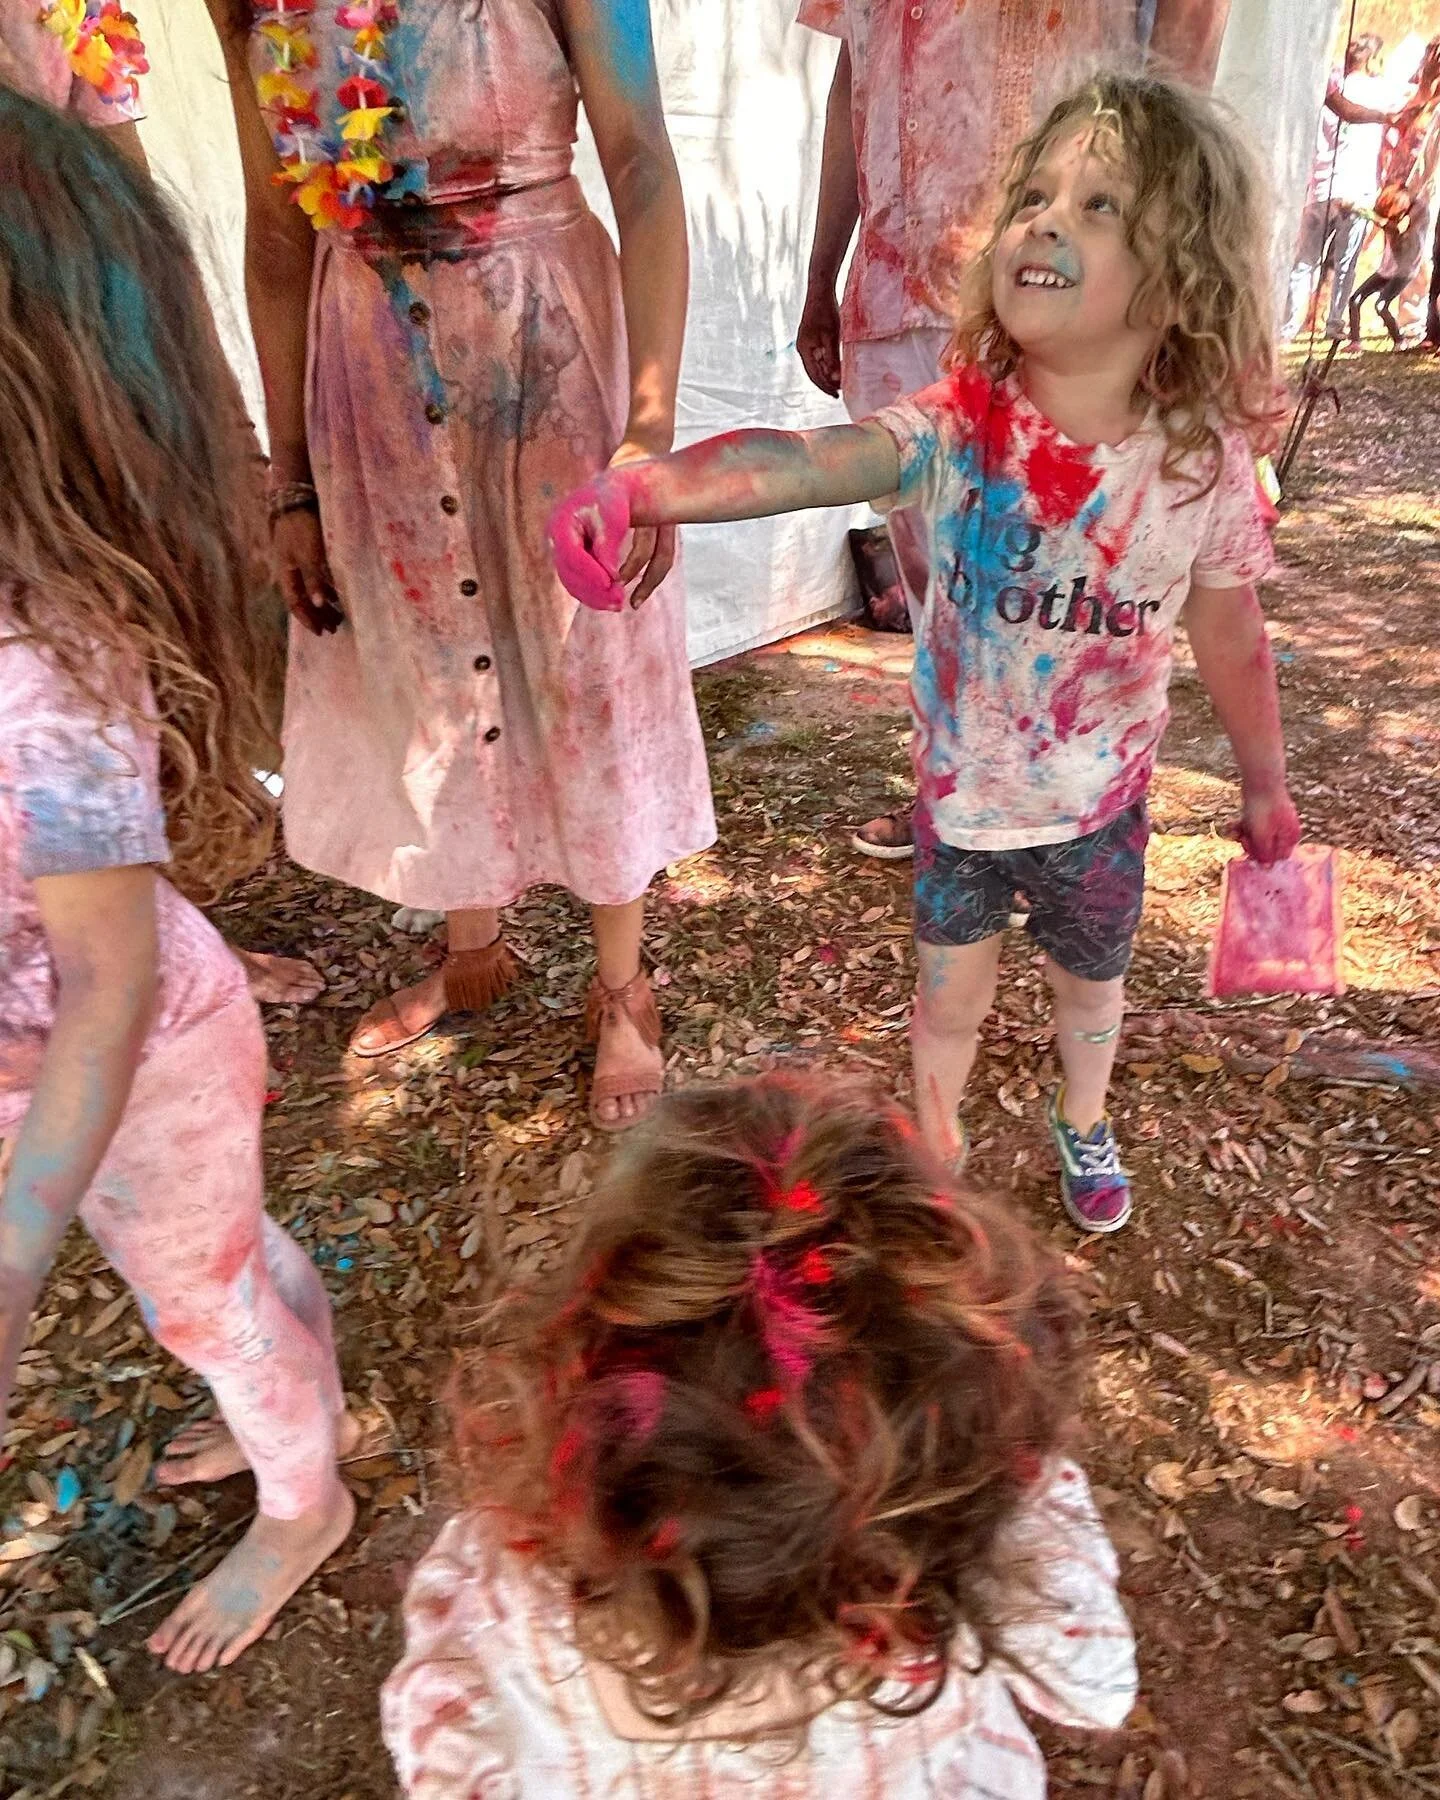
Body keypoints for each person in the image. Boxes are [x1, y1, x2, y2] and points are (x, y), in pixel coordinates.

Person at [551, 73, 1301, 1234]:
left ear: (1181, 274)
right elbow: (809, 460)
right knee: (949, 998)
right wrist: (647, 485)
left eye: (1101, 206)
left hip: (1102, 809)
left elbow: (1230, 631)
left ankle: (1083, 1114)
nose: (1047, 219)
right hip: (961, 805)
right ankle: (938, 1142)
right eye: (1036, 196)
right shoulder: (961, 426)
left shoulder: (1197, 464)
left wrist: (1264, 779)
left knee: (1089, 990)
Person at [205, 0, 715, 1130]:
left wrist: (648, 434)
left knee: (587, 668)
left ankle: (625, 986)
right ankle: (472, 948)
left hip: (548, 346)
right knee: (429, 657)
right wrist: (288, 479)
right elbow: (276, 233)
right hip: (367, 369)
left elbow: (640, 165)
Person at [0, 85, 354, 1674]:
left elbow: (109, 988)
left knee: (202, 1306)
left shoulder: (46, 671)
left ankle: (307, 1500)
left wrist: (17, 1249)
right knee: (232, 1278)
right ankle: (301, 1356)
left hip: (135, 1060)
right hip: (62, 1059)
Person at [382, 1073, 1136, 1795]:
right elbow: (1096, 1690)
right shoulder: (998, 1555)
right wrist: (1027, 1493)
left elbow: (436, 1746)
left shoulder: (506, 1584)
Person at [795, 0, 1236, 863]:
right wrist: (824, 267)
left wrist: (1159, 277)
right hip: (897, 290)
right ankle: (952, 796)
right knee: (941, 592)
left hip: (1063, 294)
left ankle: (1068, 815)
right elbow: (856, 76)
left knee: (1062, 585)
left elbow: (1183, 58)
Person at [1284, 35, 1400, 343]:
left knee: (1305, 262)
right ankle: (1334, 324)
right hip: (1358, 189)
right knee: (1345, 265)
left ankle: (1289, 327)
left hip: (1320, 188)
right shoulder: (1380, 92)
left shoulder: (1330, 89)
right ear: (1373, 60)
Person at [1348, 181, 1432, 346]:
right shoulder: (1392, 208)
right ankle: (1355, 342)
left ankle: (1399, 341)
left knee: (1381, 305)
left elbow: (1399, 228)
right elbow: (1379, 217)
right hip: (1388, 266)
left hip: (1405, 268)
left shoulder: (1419, 207)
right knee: (1355, 300)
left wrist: (1367, 214)